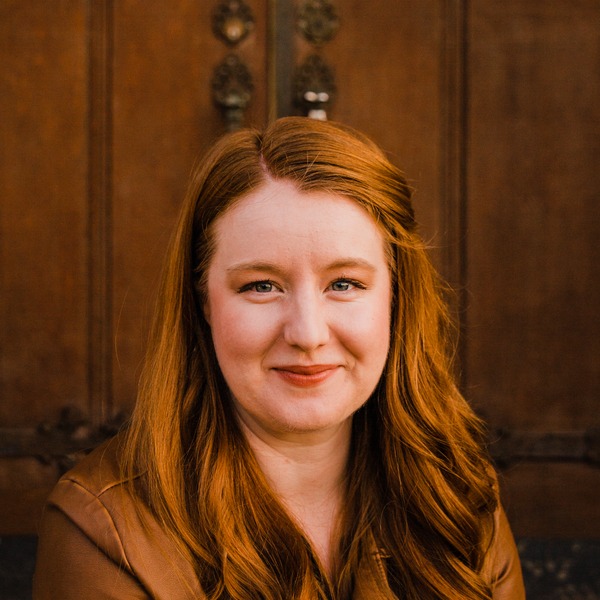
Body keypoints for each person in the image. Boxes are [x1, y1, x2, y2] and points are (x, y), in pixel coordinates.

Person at [33, 117, 525, 599]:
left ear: (397, 298)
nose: (308, 334)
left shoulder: (455, 495)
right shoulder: (104, 529)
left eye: (344, 283)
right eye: (261, 286)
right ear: (203, 302)